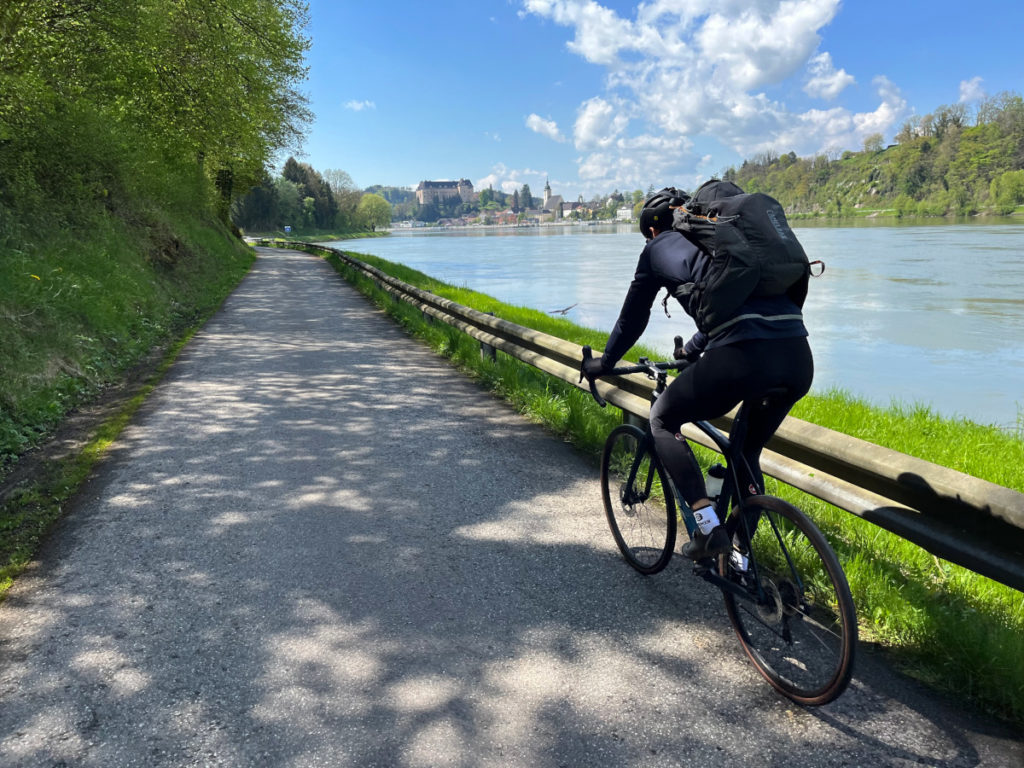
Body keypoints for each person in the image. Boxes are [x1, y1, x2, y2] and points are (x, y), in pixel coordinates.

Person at [581, 189, 813, 560]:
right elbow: (725, 305)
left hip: (741, 356)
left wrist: (604, 363)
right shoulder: (727, 248)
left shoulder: (659, 248)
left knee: (662, 418)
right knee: (746, 450)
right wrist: (690, 351)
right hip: (798, 357)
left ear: (653, 231)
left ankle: (708, 531)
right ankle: (742, 554)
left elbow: (632, 319)